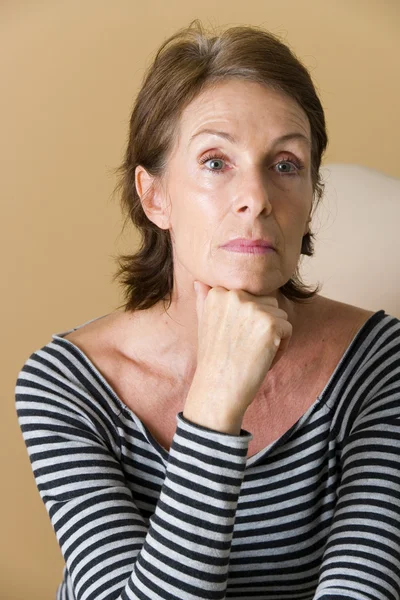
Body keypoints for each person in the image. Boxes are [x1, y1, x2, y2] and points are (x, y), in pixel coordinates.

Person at [15, 19, 400, 600]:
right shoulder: (62, 385)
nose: (258, 198)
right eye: (216, 162)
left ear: (312, 197)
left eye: (286, 164)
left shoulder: (381, 362)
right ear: (156, 197)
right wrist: (216, 403)